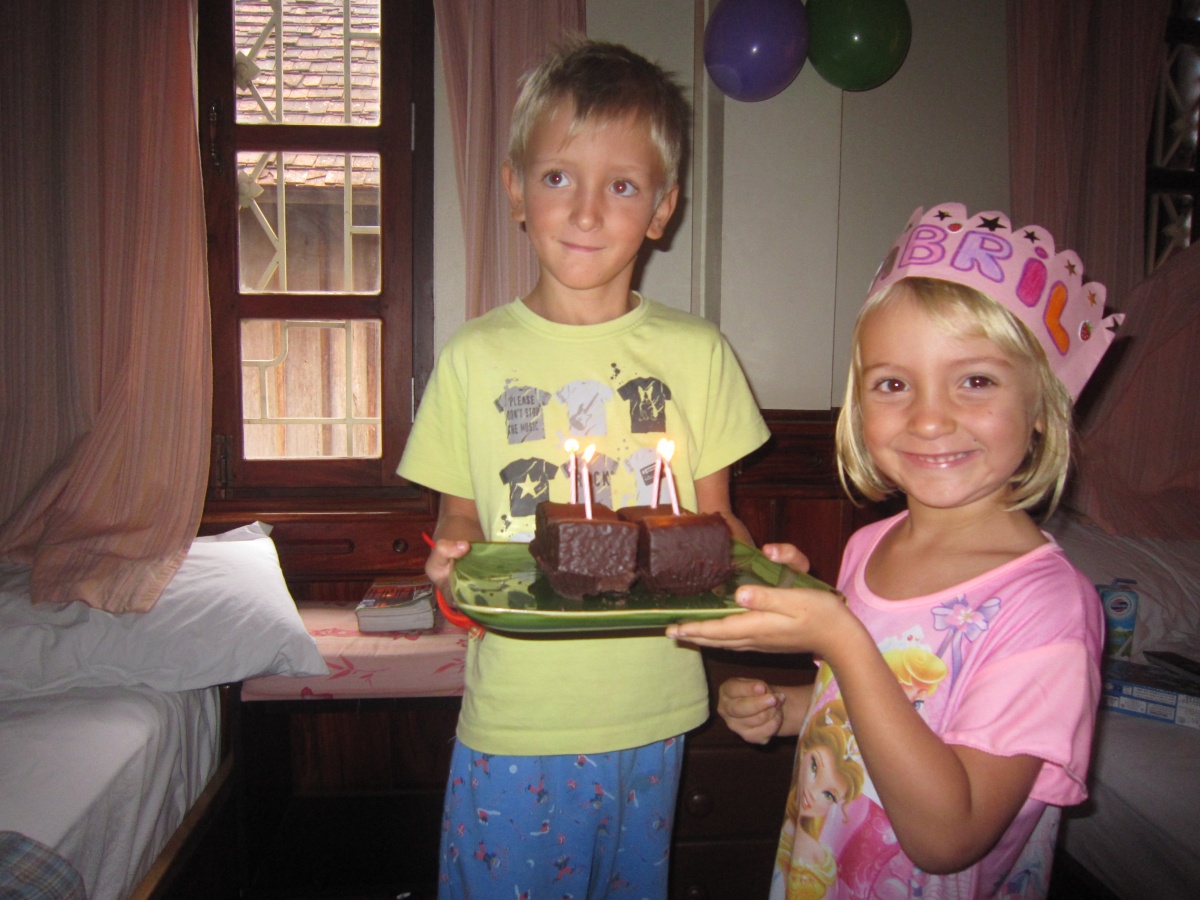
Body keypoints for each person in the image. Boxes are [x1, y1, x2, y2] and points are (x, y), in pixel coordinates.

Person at [398, 36, 769, 898]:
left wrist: (760, 575)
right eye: (560, 176)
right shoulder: (472, 357)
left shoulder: (700, 353)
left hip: (655, 705)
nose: (588, 212)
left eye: (623, 186)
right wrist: (453, 555)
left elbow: (716, 523)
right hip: (519, 713)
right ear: (515, 190)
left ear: (662, 209)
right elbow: (460, 516)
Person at [667, 202, 1123, 899]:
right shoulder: (869, 546)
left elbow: (947, 838)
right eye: (893, 384)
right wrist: (790, 706)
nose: (929, 418)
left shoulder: (1050, 610)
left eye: (976, 380)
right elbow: (880, 707)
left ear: (1041, 406)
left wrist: (839, 637)